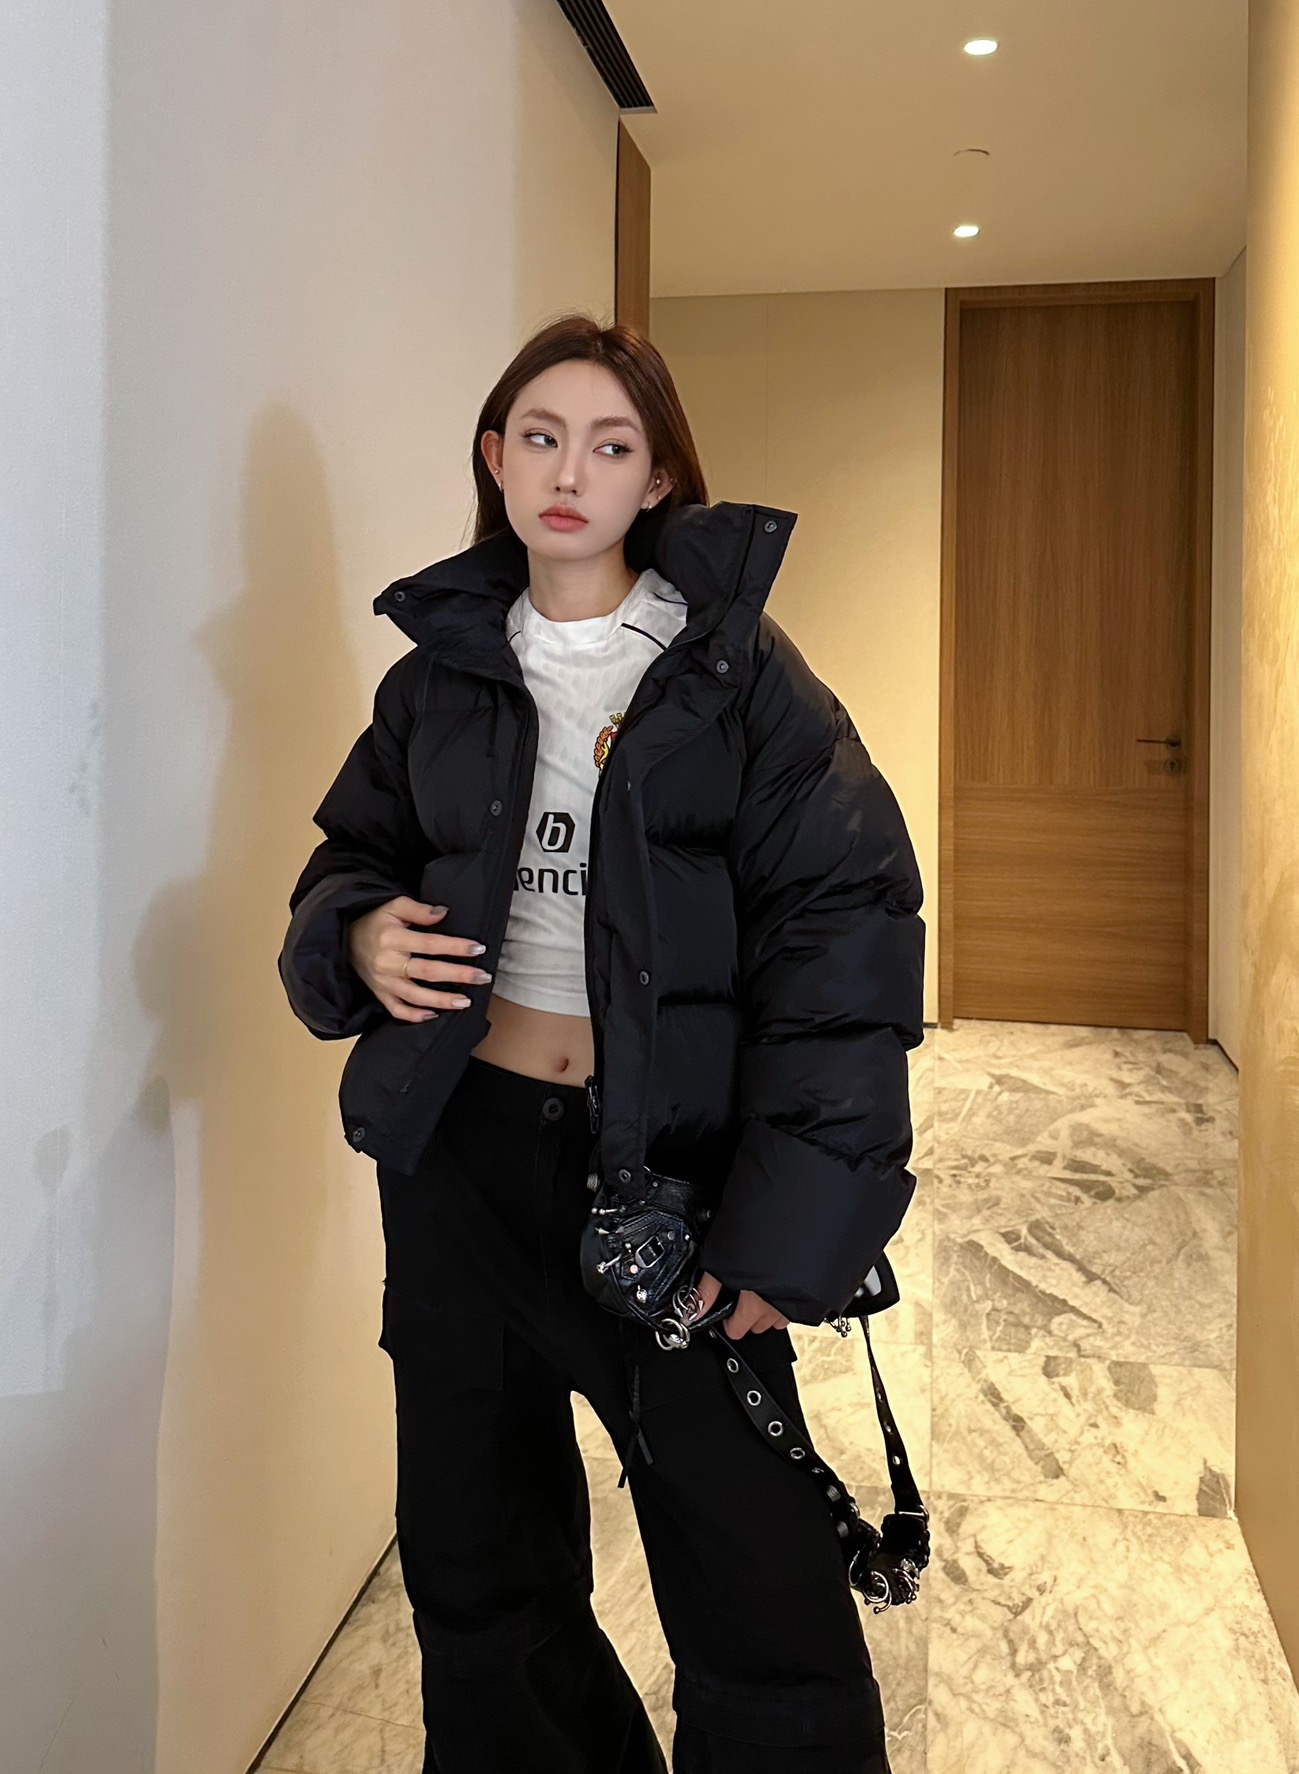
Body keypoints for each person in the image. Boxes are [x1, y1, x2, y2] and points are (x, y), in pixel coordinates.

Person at [279, 315, 925, 1774]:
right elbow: (346, 861)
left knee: (754, 1572)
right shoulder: (435, 677)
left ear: (657, 479)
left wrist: (785, 1235)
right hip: (459, 1166)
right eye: (542, 436)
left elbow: (847, 941)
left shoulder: (736, 674)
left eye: (611, 444)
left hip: (665, 1175)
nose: (571, 471)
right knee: (477, 1560)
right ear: (495, 460)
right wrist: (356, 933)